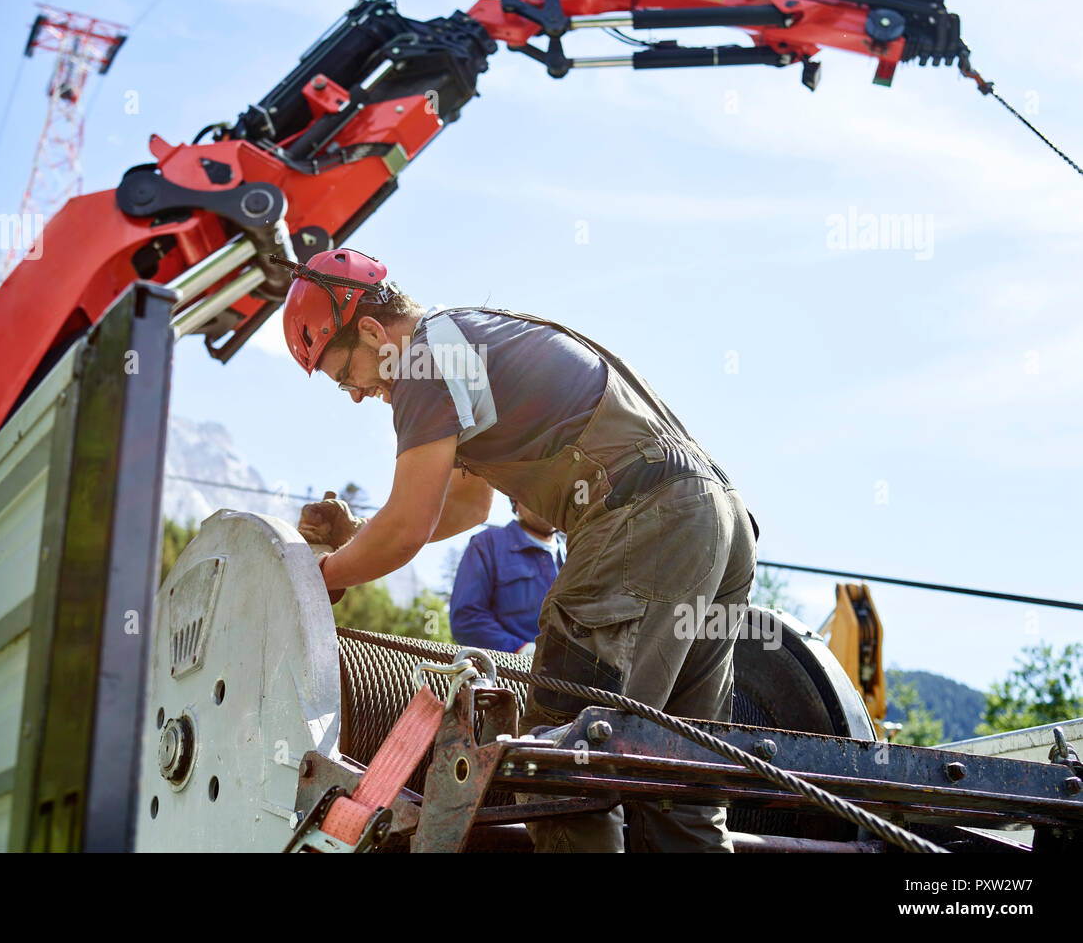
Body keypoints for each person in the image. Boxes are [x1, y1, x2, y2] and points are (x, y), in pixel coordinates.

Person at [280, 248, 757, 853]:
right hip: (715, 522)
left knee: (554, 765)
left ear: (373, 331)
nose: (353, 394)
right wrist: (355, 543)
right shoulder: (467, 343)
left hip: (646, 523)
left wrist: (320, 576)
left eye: (343, 374)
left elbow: (406, 526)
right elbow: (461, 507)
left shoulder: (423, 359)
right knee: (678, 787)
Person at [450, 499, 564, 654]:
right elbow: (466, 619)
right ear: (515, 499)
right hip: (511, 674)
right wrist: (520, 649)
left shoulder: (578, 553)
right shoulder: (487, 544)